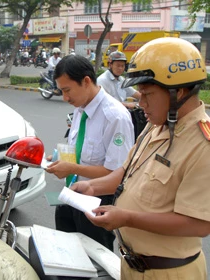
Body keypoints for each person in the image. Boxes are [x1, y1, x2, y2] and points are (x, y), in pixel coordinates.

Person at [71, 37, 209, 278]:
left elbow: (199, 224)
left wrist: (127, 218)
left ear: (180, 92)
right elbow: (127, 171)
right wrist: (93, 186)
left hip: (169, 272)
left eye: (147, 94)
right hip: (131, 266)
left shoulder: (202, 144)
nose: (140, 101)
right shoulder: (157, 123)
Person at [45, 54, 135, 251]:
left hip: (97, 202)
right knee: (67, 255)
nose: (65, 98)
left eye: (67, 90)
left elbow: (117, 172)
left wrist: (73, 167)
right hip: (70, 195)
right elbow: (79, 146)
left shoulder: (115, 116)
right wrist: (59, 158)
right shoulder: (80, 107)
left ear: (86, 81)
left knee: (96, 259)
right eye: (61, 91)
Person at [97, 51, 146, 140]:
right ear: (110, 65)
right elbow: (106, 102)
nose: (120, 68)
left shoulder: (121, 80)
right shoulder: (102, 80)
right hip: (109, 118)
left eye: (122, 66)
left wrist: (148, 97)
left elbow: (134, 93)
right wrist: (128, 105)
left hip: (122, 115)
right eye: (118, 65)